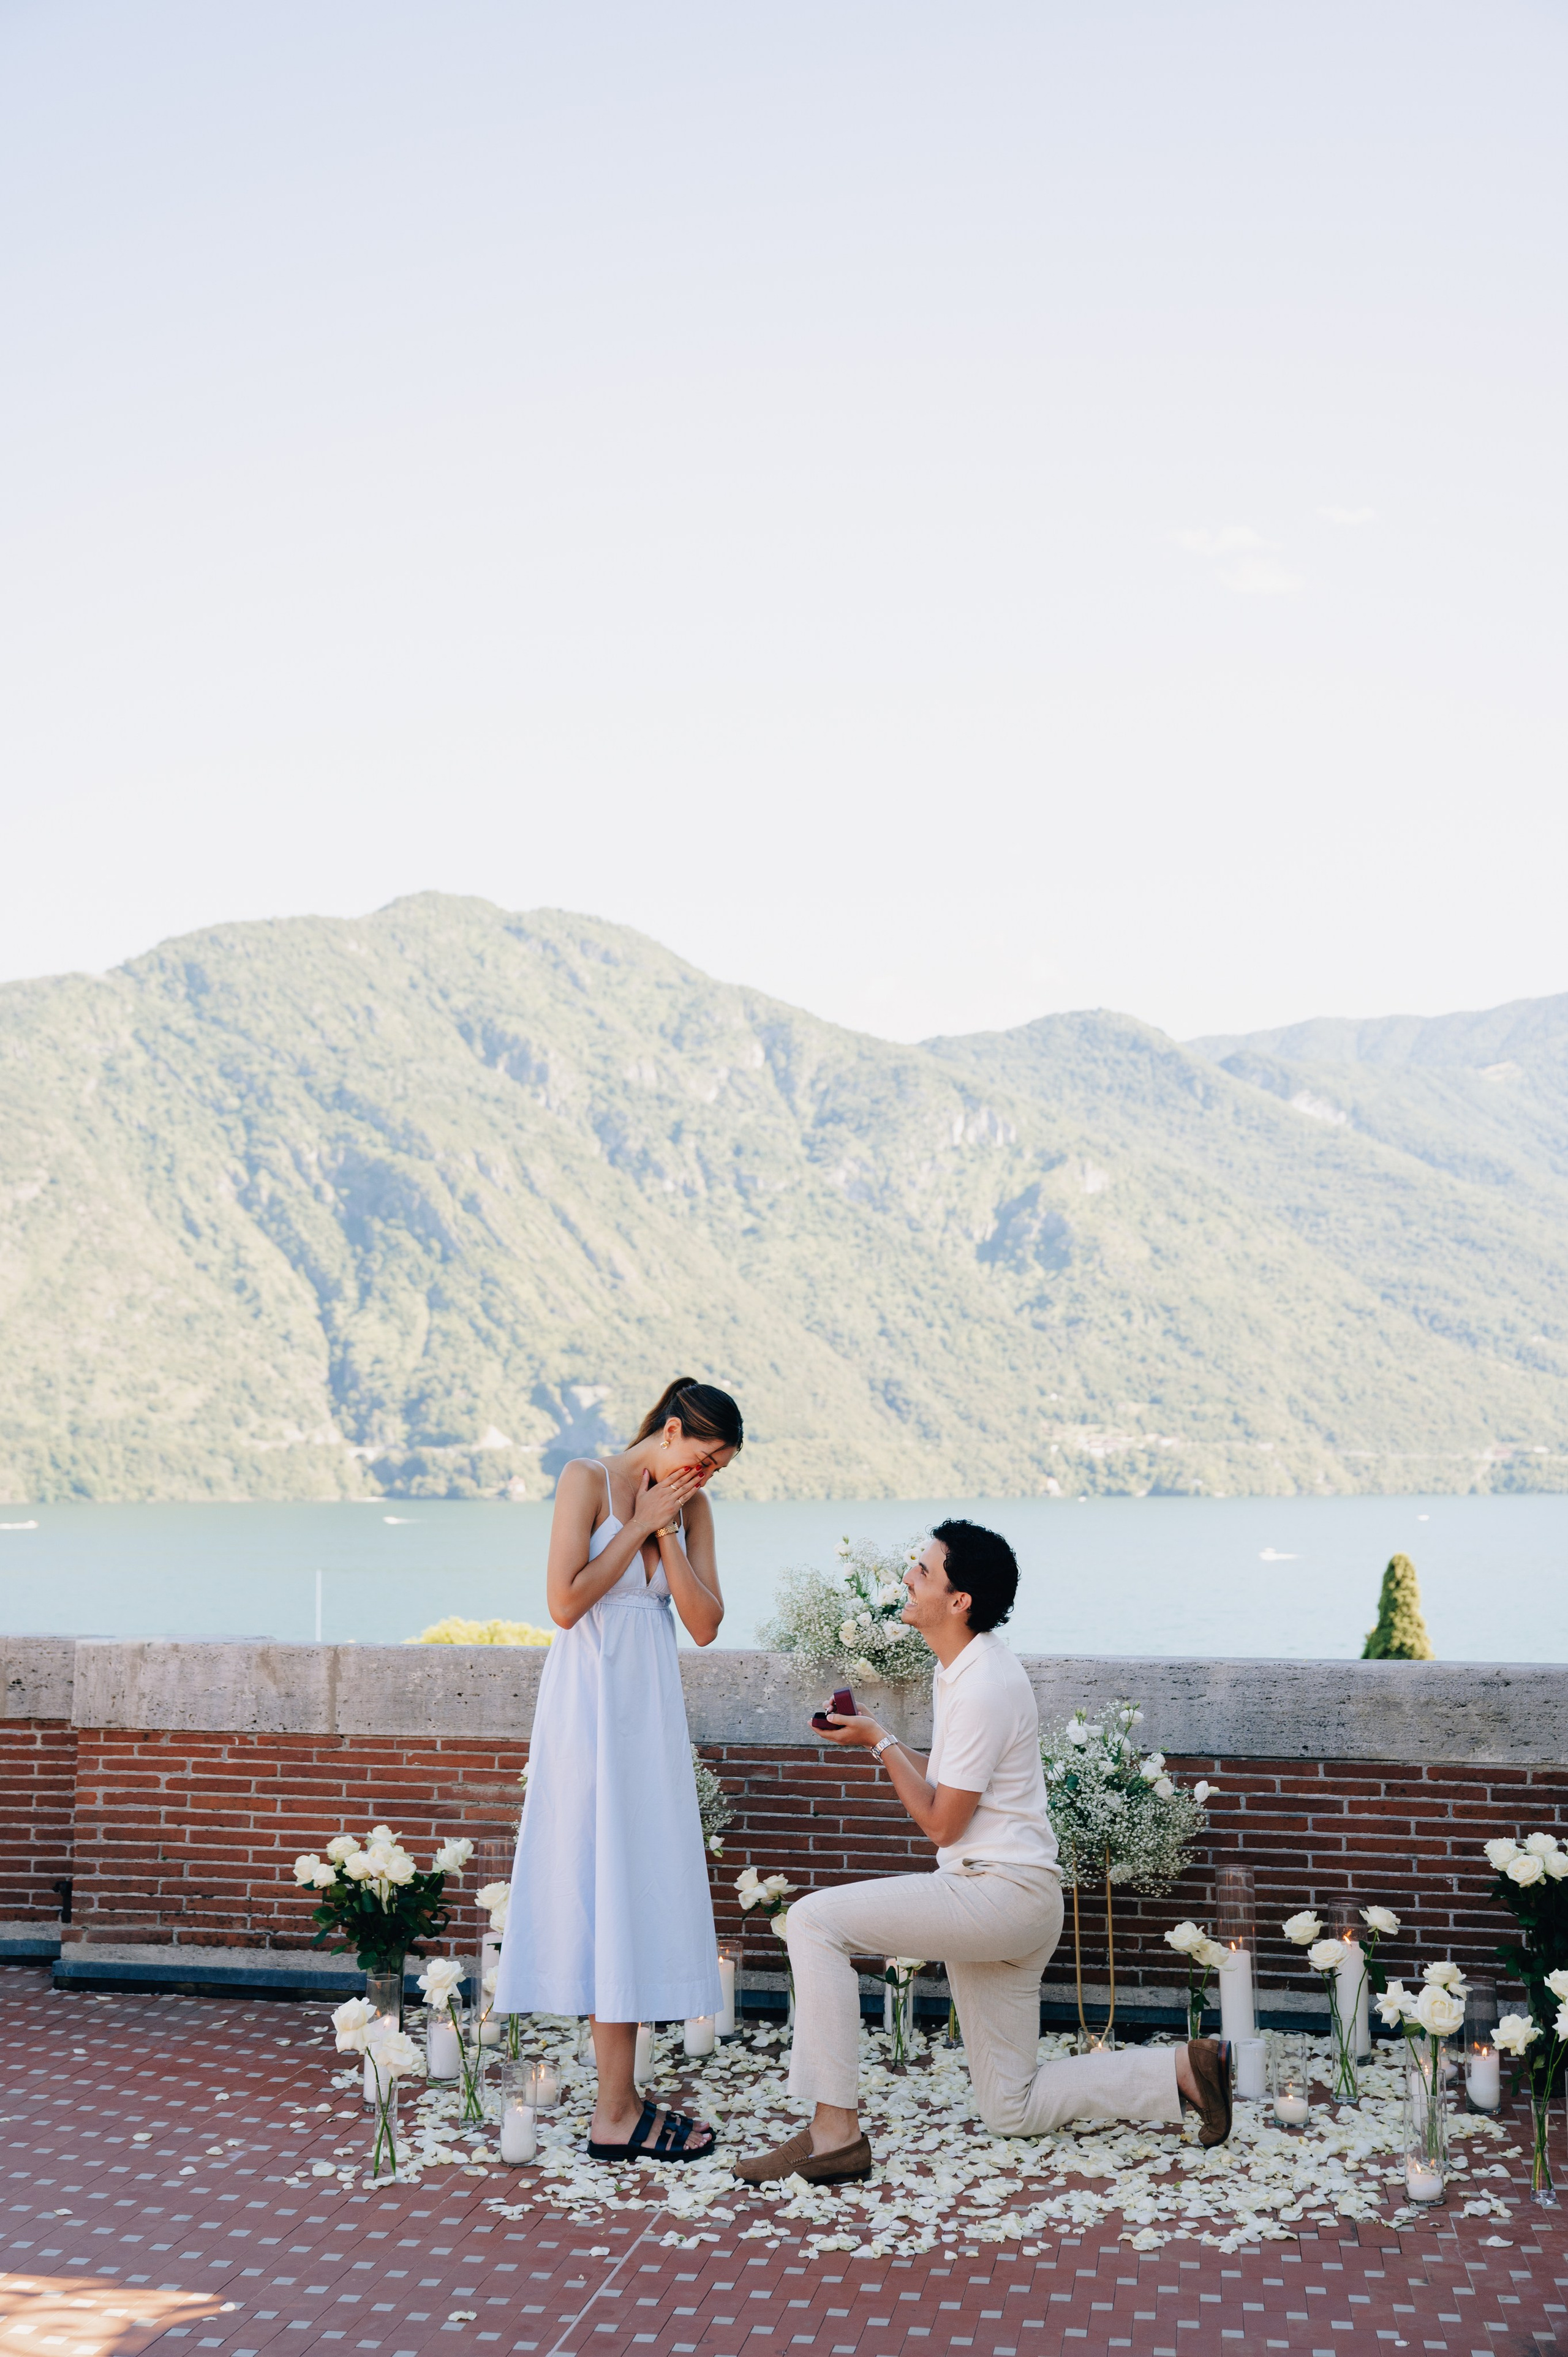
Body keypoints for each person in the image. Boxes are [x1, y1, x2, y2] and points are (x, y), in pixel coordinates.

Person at [738, 1519, 1232, 2184]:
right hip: (1011, 1901)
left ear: (958, 1598)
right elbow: (951, 1784)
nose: (907, 1577)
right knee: (1012, 2106)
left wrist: (881, 1748)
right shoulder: (968, 1666)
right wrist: (878, 1733)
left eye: (923, 1569)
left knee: (813, 1919)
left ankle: (834, 2131)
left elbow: (942, 1823)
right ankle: (1181, 2069)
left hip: (995, 1895)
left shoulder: (981, 1683)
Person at [492, 1376, 743, 2164]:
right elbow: (563, 1604)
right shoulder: (585, 1480)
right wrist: (637, 1521)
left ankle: (618, 2105)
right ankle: (614, 2107)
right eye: (703, 1457)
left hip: (650, 1718)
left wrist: (668, 1526)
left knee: (637, 1891)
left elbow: (703, 1623)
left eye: (718, 1468)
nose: (706, 1475)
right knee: (596, 1889)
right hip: (587, 1711)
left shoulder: (692, 1508)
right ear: (670, 1430)